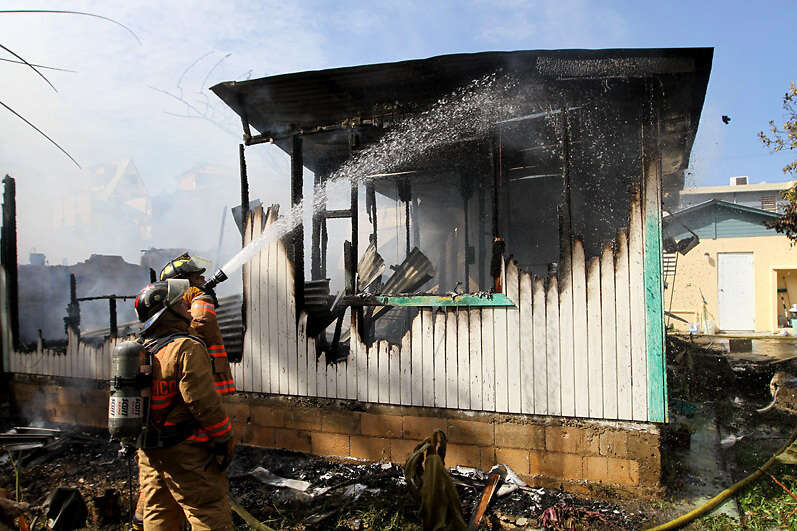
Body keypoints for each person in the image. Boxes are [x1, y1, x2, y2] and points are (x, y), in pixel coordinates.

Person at [134, 279, 235, 530]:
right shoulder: (185, 348)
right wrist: (224, 439)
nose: (186, 308)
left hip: (148, 450)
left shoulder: (139, 349)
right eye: (180, 303)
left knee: (158, 510)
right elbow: (203, 403)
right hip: (185, 450)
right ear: (166, 312)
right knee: (206, 510)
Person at [160, 253, 236, 396]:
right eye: (196, 278)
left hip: (205, 383)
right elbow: (201, 327)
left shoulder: (185, 308)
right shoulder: (178, 311)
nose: (203, 280)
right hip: (199, 386)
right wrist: (200, 298)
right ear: (181, 285)